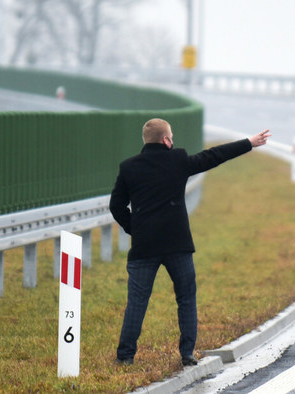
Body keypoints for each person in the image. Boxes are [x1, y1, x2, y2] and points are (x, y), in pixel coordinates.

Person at [110, 118, 271, 366]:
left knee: (137, 302)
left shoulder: (128, 167)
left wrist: (136, 229)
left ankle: (125, 356)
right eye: (171, 136)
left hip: (144, 247)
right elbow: (214, 155)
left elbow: (116, 206)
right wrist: (249, 143)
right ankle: (187, 353)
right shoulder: (178, 160)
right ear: (166, 140)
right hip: (178, 245)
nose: (173, 140)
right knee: (186, 297)